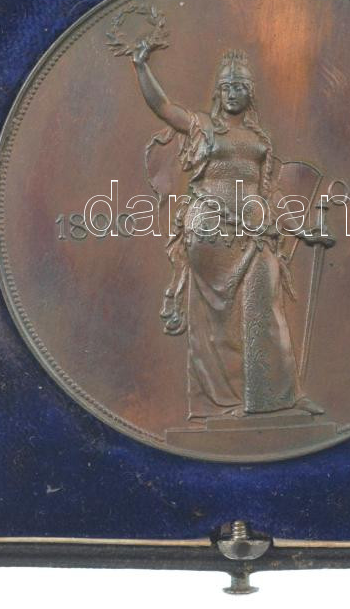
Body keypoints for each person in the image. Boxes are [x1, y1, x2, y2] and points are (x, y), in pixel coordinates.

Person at [132, 43, 332, 422]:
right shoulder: (202, 126)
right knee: (221, 322)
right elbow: (164, 107)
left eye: (239, 87)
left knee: (266, 304)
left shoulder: (260, 139)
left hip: (255, 233)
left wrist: (303, 228)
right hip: (210, 231)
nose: (233, 93)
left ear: (249, 93)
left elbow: (269, 192)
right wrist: (141, 66)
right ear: (217, 93)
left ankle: (281, 395)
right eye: (226, 88)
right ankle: (225, 402)